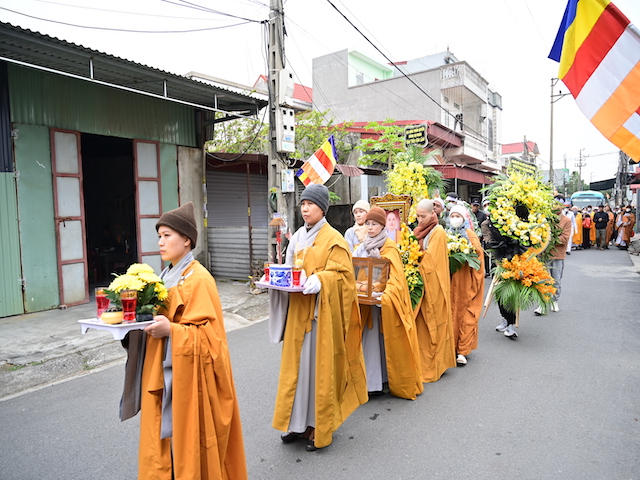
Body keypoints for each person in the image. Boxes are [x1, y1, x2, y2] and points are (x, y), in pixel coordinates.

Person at [120, 202, 247, 480]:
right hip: (161, 372)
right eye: (159, 236)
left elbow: (212, 341)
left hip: (188, 379)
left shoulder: (199, 279)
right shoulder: (162, 278)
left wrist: (172, 331)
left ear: (186, 239)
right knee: (163, 446)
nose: (160, 242)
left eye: (167, 235)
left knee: (186, 446)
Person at [269, 184, 368, 451]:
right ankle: (297, 424)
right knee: (295, 372)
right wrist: (278, 278)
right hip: (297, 313)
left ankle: (318, 426)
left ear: (322, 209)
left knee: (317, 372)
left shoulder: (334, 239)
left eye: (310, 204)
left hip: (319, 317)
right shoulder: (298, 236)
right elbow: (290, 268)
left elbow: (345, 278)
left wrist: (322, 280)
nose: (305, 209)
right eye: (303, 204)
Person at [353, 207, 423, 399]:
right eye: (368, 224)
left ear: (383, 226)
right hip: (365, 300)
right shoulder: (363, 246)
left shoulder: (390, 247)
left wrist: (385, 295)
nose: (370, 227)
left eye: (374, 224)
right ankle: (369, 382)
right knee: (368, 342)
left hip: (382, 302)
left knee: (383, 343)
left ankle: (383, 380)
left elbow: (397, 279)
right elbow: (355, 266)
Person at [412, 199, 456, 382]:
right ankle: (421, 364)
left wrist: (414, 261)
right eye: (417, 216)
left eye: (423, 216)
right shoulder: (418, 230)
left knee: (434, 323)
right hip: (421, 283)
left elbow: (431, 261)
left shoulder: (438, 231)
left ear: (433, 214)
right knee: (421, 327)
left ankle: (435, 365)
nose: (420, 219)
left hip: (434, 285)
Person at [447, 205, 484, 366]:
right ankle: (450, 348)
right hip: (450, 282)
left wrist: (475, 283)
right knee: (450, 315)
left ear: (464, 218)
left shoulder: (470, 236)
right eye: (452, 216)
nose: (454, 219)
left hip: (465, 283)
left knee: (466, 316)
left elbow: (478, 261)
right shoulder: (446, 235)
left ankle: (462, 350)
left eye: (458, 216)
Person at [534, 203, 572, 315]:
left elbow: (564, 238)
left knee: (556, 280)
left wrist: (549, 239)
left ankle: (555, 300)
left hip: (557, 255)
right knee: (542, 279)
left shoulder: (566, 221)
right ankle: (542, 303)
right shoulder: (544, 219)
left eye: (557, 206)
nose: (554, 208)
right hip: (543, 254)